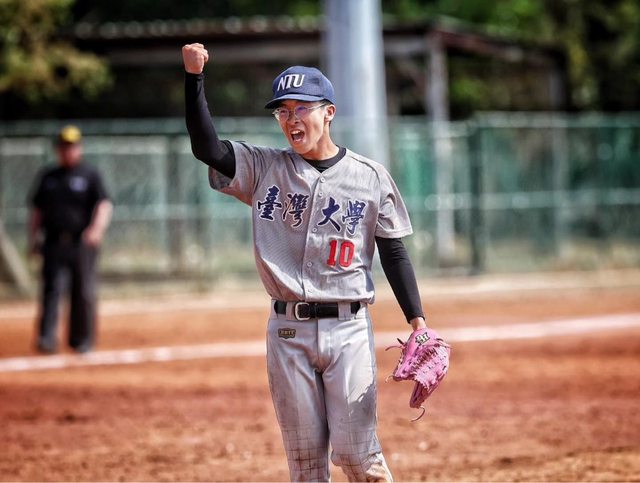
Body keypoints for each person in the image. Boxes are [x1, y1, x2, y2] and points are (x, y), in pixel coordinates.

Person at [183, 43, 430, 482]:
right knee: (306, 465)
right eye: (282, 111)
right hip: (288, 332)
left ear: (328, 112)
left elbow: (393, 251)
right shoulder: (264, 168)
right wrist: (194, 78)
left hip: (348, 329)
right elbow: (208, 149)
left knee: (357, 455)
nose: (291, 119)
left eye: (301, 108)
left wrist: (418, 321)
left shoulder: (370, 177)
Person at [28, 125, 113, 354]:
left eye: (72, 146)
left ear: (79, 148)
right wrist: (33, 238)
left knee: (83, 291)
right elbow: (37, 210)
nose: (68, 150)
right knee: (51, 289)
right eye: (64, 146)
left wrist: (96, 230)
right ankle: (47, 338)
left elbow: (104, 204)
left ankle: (82, 339)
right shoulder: (49, 177)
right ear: (58, 149)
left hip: (81, 242)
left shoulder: (89, 174)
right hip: (53, 241)